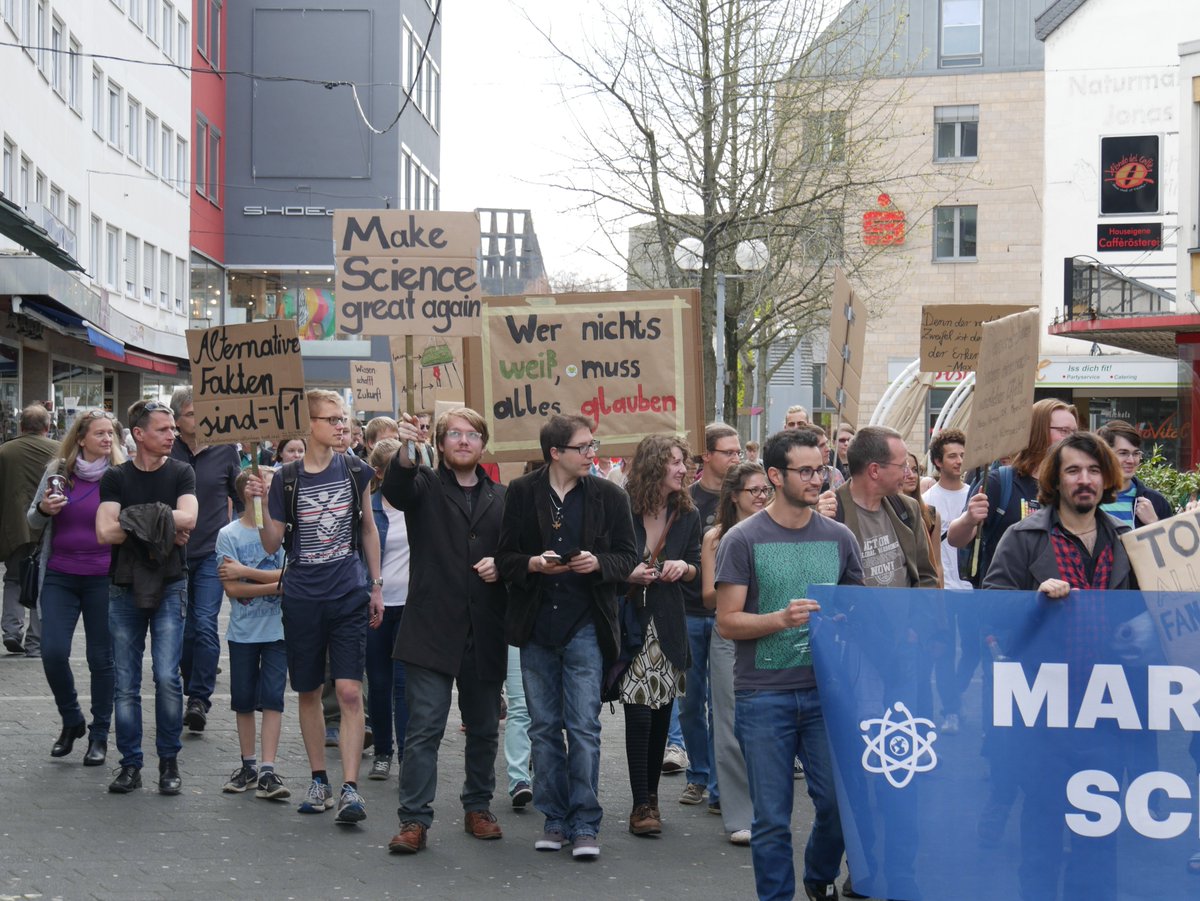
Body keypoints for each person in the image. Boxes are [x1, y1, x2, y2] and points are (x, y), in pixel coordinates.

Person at [983, 431, 1136, 901]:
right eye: (1073, 471)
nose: (1084, 480)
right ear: (1056, 479)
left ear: (1107, 478)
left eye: (1093, 471)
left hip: (1109, 711)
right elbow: (991, 611)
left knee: (1100, 829)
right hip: (1044, 709)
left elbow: (1153, 620)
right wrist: (1035, 601)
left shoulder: (1129, 543)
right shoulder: (1024, 537)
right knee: (1044, 829)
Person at [715, 428, 863, 901]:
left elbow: (857, 611)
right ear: (775, 475)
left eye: (819, 469)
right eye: (805, 471)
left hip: (826, 693)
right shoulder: (742, 539)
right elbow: (726, 623)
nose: (816, 479)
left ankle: (818, 879)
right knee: (772, 818)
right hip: (764, 694)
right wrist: (779, 619)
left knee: (839, 805)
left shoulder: (839, 537)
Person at [498, 413, 639, 861]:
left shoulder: (609, 495)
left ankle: (584, 821)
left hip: (585, 624)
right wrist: (533, 564)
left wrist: (597, 564)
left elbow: (627, 557)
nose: (591, 453)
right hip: (536, 624)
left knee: (583, 727)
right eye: (584, 447)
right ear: (555, 452)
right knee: (543, 728)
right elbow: (505, 557)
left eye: (593, 445)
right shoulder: (522, 492)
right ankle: (553, 817)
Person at [246, 389, 384, 825]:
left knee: (347, 690)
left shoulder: (356, 470)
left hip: (347, 591)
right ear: (308, 426)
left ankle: (350, 789)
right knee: (306, 689)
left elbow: (367, 530)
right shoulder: (285, 479)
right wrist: (257, 501)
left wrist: (375, 585)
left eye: (343, 418)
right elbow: (270, 543)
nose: (342, 426)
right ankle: (319, 779)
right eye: (332, 419)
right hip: (302, 594)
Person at [382, 408, 508, 854]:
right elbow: (395, 490)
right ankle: (414, 819)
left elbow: (516, 554)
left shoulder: (503, 496)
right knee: (424, 728)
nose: (463, 441)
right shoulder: (424, 485)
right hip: (431, 628)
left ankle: (478, 806)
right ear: (438, 443)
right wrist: (405, 450)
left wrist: (503, 566)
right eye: (453, 434)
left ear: (483, 443)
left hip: (484, 629)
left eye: (472, 434)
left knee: (484, 728)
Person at [97, 400, 198, 795]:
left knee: (167, 677)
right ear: (138, 434)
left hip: (171, 581)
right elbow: (104, 532)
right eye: (162, 429)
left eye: (173, 428)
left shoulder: (182, 472)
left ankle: (169, 761)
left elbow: (189, 518)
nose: (172, 435)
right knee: (125, 681)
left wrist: (132, 519)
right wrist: (161, 524)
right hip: (123, 584)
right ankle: (130, 764)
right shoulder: (115, 477)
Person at [26, 410, 123, 766]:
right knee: (51, 652)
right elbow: (32, 519)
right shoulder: (57, 472)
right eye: (99, 433)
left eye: (110, 434)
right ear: (81, 439)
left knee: (102, 658)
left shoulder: (119, 476)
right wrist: (44, 508)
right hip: (60, 575)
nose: (107, 439)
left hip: (103, 577)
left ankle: (99, 734)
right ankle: (71, 719)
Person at [621, 435, 702, 836]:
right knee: (638, 712)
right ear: (653, 465)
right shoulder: (621, 506)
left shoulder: (687, 513)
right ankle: (640, 804)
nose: (683, 469)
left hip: (668, 625)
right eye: (674, 462)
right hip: (631, 623)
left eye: (683, 461)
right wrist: (627, 572)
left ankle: (651, 797)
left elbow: (699, 566)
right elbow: (605, 559)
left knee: (660, 714)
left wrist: (684, 568)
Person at [700, 461, 771, 845]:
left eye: (765, 490)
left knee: (769, 724)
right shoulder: (717, 537)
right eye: (754, 491)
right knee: (728, 724)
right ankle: (740, 816)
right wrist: (738, 582)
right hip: (730, 634)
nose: (761, 496)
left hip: (773, 633)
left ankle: (767, 808)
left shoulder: (780, 532)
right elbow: (710, 597)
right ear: (734, 497)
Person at [169, 386, 242, 735]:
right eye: (192, 414)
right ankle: (189, 684)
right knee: (183, 630)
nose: (200, 420)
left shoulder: (226, 450)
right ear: (178, 420)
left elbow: (239, 496)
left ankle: (199, 699)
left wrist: (251, 487)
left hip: (213, 553)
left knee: (205, 623)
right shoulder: (167, 451)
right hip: (174, 553)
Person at [676, 423, 741, 808]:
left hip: (726, 616)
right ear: (707, 456)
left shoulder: (744, 499)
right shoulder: (687, 501)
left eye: (738, 452)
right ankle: (698, 773)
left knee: (724, 705)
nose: (736, 458)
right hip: (688, 612)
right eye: (728, 452)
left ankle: (720, 784)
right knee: (689, 702)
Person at [215, 470, 289, 801]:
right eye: (259, 487)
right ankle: (248, 763)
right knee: (243, 700)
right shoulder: (228, 534)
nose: (265, 493)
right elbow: (230, 588)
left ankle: (268, 768)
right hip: (243, 631)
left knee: (273, 698)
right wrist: (275, 584)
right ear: (245, 492)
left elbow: (292, 578)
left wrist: (247, 573)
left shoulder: (285, 532)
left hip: (278, 631)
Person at [947, 398, 1079, 575]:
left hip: (1059, 594)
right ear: (1037, 431)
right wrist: (969, 519)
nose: (1072, 439)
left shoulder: (1073, 486)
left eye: (1075, 432)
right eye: (1064, 431)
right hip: (1005, 594)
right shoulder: (1000, 482)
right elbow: (955, 539)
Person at [921, 428, 975, 735]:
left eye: (962, 455)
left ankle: (955, 696)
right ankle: (952, 710)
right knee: (943, 653)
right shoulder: (928, 500)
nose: (959, 461)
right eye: (952, 455)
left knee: (973, 652)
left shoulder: (976, 494)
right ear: (938, 462)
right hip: (943, 590)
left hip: (972, 592)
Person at [364, 439, 410, 784]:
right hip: (376, 604)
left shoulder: (419, 505)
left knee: (404, 685)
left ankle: (409, 754)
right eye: (395, 466)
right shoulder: (369, 508)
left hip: (412, 605)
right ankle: (383, 751)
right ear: (379, 473)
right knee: (378, 683)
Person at [0, 404, 58, 657]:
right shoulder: (59, 451)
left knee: (13, 578)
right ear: (47, 427)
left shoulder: (5, 451)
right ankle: (36, 642)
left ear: (21, 426)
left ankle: (12, 630)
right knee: (42, 581)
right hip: (49, 526)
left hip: (14, 527)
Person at [1096, 420, 1172, 528]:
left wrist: (1154, 523)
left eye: (1136, 453)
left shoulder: (1155, 501)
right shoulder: (1089, 499)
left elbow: (1172, 543)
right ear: (1104, 455)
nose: (1131, 460)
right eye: (1123, 453)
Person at [902, 451, 943, 587]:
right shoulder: (887, 513)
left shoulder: (931, 514)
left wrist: (940, 600)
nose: (911, 475)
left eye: (915, 470)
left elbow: (936, 563)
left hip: (926, 587)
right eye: (905, 469)